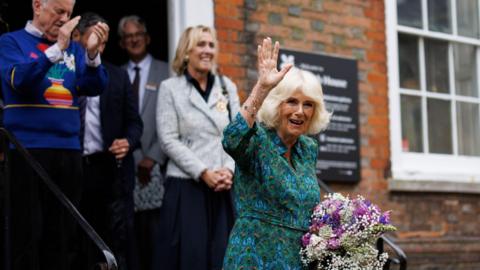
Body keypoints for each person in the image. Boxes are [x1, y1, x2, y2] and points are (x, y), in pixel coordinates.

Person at [0, 0, 109, 269]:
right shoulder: (11, 42)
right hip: (27, 151)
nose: (64, 19)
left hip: (68, 151)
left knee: (62, 235)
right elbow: (19, 81)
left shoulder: (74, 49)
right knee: (26, 235)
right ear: (37, 6)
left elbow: (94, 86)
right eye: (58, 11)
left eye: (69, 13)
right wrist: (56, 49)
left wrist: (92, 56)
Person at [222, 38, 331, 269]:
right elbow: (231, 139)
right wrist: (262, 88)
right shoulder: (258, 139)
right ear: (277, 104)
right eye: (291, 102)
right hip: (254, 257)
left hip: (297, 260)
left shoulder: (308, 149)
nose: (300, 112)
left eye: (308, 104)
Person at [153, 25, 240, 270]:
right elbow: (168, 139)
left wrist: (228, 171)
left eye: (211, 45)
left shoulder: (227, 87)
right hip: (187, 187)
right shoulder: (170, 88)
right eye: (201, 44)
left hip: (224, 186)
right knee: (190, 258)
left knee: (224, 258)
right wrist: (204, 172)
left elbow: (238, 136)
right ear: (186, 50)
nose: (207, 50)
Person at [71, 12, 143, 270]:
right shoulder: (63, 70)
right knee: (73, 239)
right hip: (71, 164)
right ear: (77, 36)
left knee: (113, 241)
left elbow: (135, 124)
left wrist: (128, 142)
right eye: (94, 40)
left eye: (103, 43)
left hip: (108, 170)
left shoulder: (117, 76)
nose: (98, 48)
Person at [118, 14, 169, 270]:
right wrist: (134, 157)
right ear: (121, 43)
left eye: (138, 34)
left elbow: (173, 119)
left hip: (158, 166)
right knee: (131, 236)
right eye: (128, 36)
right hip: (126, 165)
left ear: (147, 38)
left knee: (156, 235)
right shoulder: (117, 75)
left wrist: (154, 156)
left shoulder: (166, 71)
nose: (134, 39)